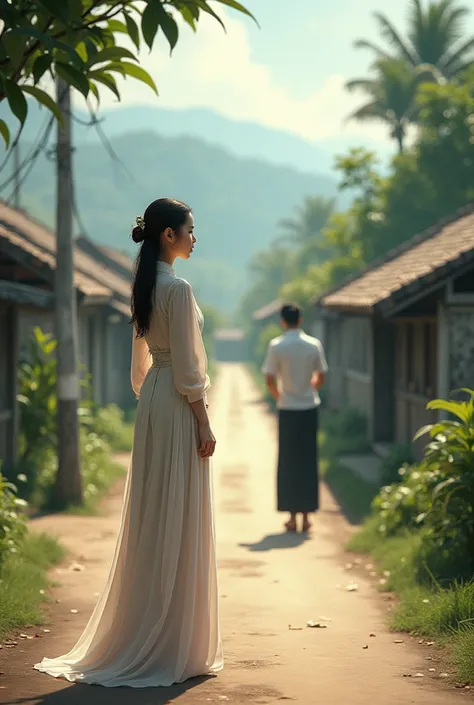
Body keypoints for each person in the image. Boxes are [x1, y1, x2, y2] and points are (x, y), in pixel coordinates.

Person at [34, 198, 222, 687]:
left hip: (154, 402)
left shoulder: (143, 286)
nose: (195, 238)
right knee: (178, 511)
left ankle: (150, 630)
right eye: (190, 230)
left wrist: (157, 396)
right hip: (178, 403)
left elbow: (144, 365)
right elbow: (189, 367)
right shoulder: (177, 290)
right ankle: (170, 640)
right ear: (169, 236)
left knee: (154, 512)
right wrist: (202, 420)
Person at [262, 303, 327, 534]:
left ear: (283, 321)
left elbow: (269, 379)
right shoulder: (313, 344)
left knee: (289, 461)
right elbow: (321, 375)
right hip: (309, 407)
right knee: (308, 461)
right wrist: (311, 388)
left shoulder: (277, 346)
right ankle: (307, 517)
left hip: (288, 409)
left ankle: (291, 517)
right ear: (300, 320)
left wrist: (280, 396)